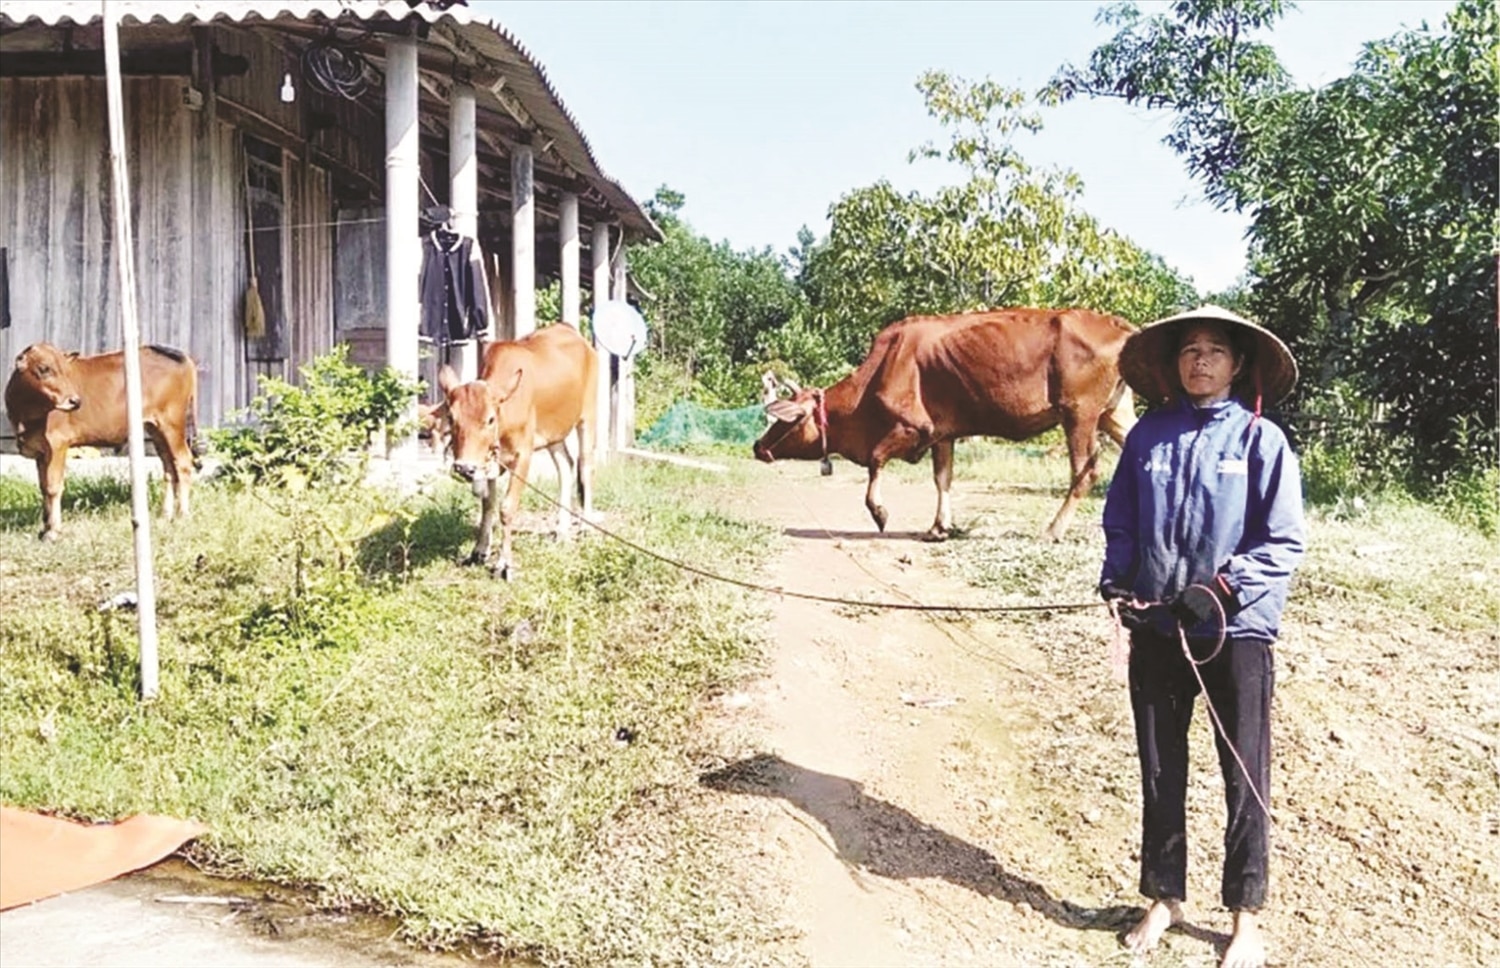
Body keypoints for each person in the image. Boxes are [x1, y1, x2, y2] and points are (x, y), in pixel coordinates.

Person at [1099, 305, 1307, 968]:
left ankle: (1245, 915)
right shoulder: (1146, 438)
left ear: (1238, 363)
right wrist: (1117, 584)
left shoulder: (1260, 441)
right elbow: (1121, 521)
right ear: (1175, 362)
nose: (1201, 361)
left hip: (1236, 631)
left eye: (1215, 350)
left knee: (1243, 772)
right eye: (1190, 349)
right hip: (1159, 626)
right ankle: (1164, 897)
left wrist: (1221, 588)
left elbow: (1282, 543)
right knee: (1161, 768)